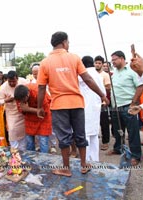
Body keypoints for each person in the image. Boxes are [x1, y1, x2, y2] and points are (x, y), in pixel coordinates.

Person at [37, 31, 109, 177]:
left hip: (58, 105)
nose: (68, 44)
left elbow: (41, 87)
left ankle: (66, 168)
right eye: (68, 42)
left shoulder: (45, 63)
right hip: (77, 103)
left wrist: (39, 107)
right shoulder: (74, 58)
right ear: (64, 42)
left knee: (64, 138)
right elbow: (87, 79)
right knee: (80, 135)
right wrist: (102, 95)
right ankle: (83, 165)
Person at [107, 50, 143, 166]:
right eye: (112, 60)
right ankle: (118, 148)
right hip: (115, 107)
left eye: (114, 60)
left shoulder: (131, 72)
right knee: (117, 130)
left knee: (132, 132)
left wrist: (133, 103)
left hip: (128, 106)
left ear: (122, 59)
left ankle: (136, 155)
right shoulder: (114, 73)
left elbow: (140, 86)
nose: (112, 62)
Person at [80, 56, 105, 161]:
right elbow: (102, 92)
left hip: (86, 107)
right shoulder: (98, 75)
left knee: (85, 134)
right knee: (94, 134)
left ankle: (86, 160)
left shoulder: (82, 76)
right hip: (95, 108)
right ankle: (95, 160)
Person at [0, 70, 28, 150]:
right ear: (7, 80)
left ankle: (23, 152)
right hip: (11, 114)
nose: (12, 83)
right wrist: (6, 100)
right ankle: (14, 152)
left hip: (23, 112)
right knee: (12, 131)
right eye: (10, 82)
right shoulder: (3, 87)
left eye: (14, 81)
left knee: (24, 133)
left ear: (17, 79)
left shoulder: (23, 82)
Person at [14, 83, 52, 153]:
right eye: (20, 101)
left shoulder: (37, 92)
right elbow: (21, 109)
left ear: (27, 95)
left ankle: (43, 161)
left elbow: (44, 112)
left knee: (43, 141)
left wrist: (28, 109)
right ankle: (31, 161)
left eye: (23, 100)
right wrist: (27, 109)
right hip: (29, 118)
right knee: (29, 141)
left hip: (43, 118)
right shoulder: (18, 96)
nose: (21, 102)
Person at [94, 55, 111, 151]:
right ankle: (95, 139)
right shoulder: (91, 74)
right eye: (96, 63)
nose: (97, 64)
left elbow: (108, 88)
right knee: (94, 122)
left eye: (99, 63)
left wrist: (104, 99)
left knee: (104, 123)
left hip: (102, 103)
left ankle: (105, 142)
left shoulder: (105, 75)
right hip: (93, 103)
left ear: (102, 64)